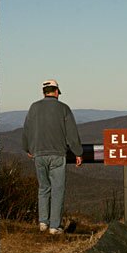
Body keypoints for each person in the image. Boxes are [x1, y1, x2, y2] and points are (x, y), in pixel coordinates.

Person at [22, 79, 83, 234]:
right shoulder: (64, 108)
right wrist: (78, 153)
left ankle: (43, 222)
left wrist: (28, 148)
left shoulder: (34, 107)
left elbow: (27, 129)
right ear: (56, 92)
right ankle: (54, 227)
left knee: (43, 188)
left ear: (44, 92)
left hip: (39, 154)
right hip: (57, 154)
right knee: (58, 189)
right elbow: (72, 134)